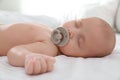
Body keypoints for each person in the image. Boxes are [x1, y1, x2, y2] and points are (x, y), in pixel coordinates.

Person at [0, 17, 115, 75]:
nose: (71, 32)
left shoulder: (49, 47)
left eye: (79, 41)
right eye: (77, 24)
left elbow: (13, 52)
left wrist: (28, 57)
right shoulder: (50, 30)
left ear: (84, 56)